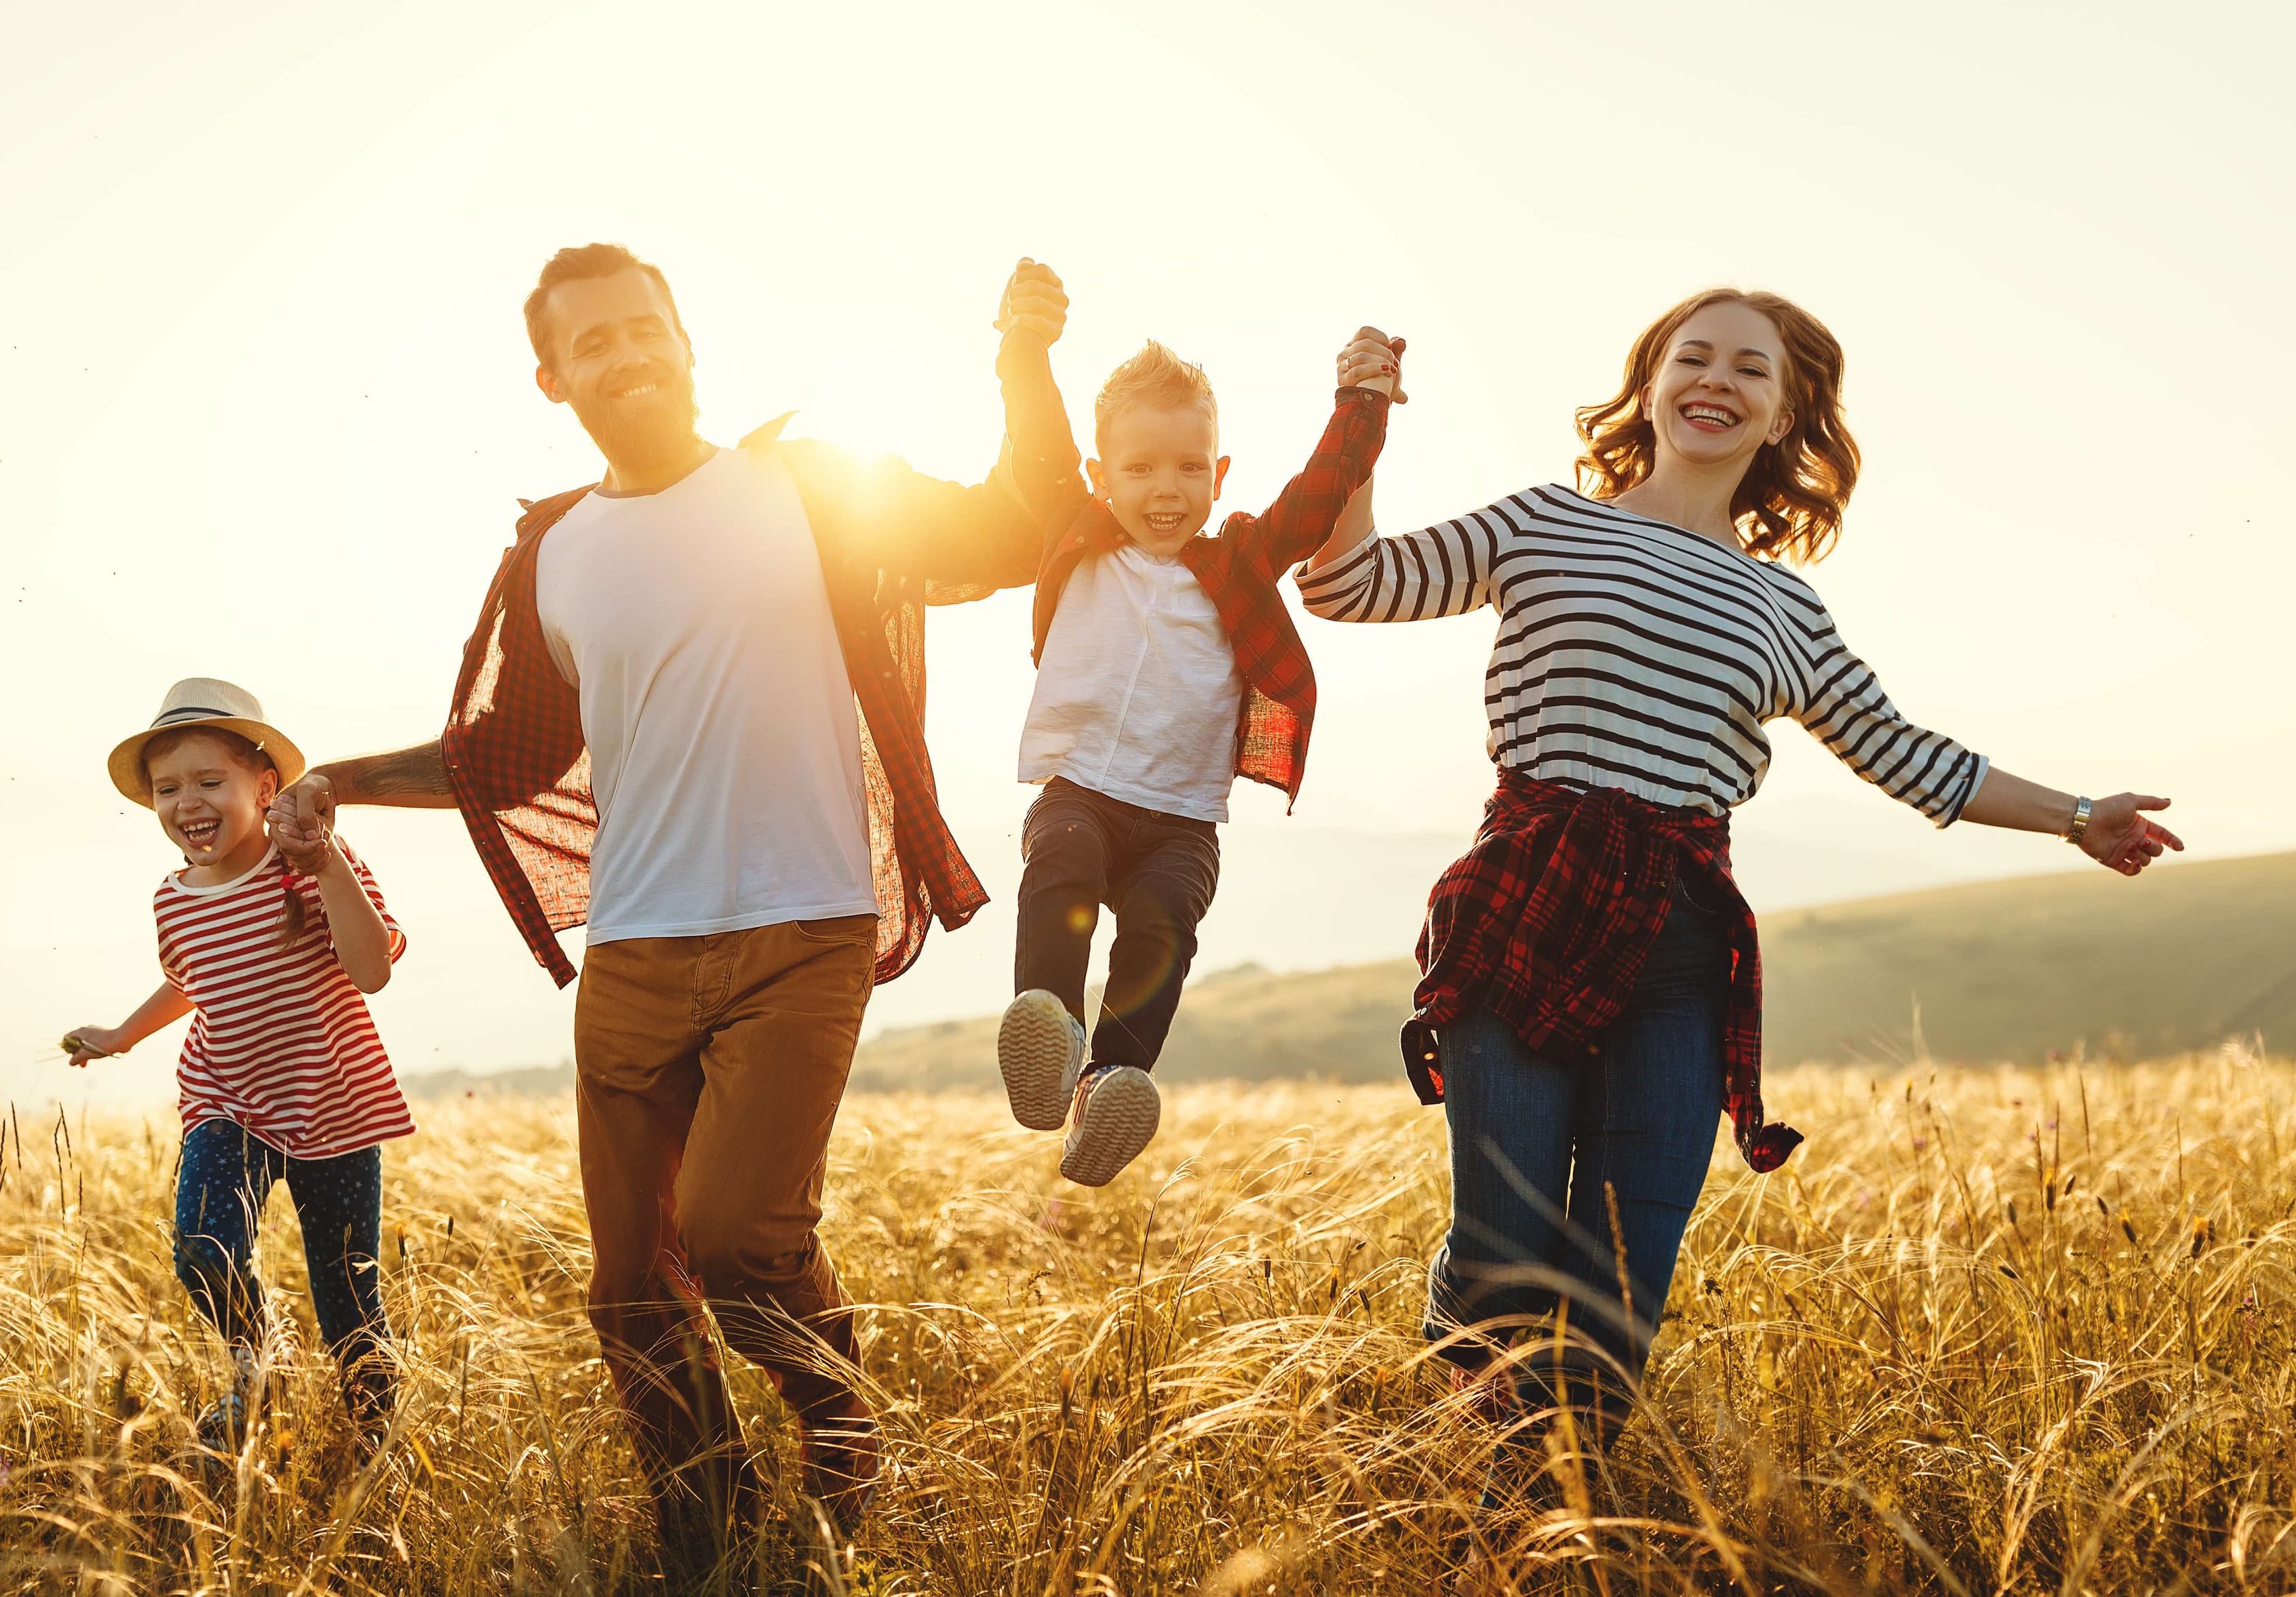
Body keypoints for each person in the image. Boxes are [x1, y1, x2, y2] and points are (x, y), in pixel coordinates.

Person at [273, 245, 1077, 1550]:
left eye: (648, 327)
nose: (628, 353)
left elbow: (1010, 526)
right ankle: (707, 1534)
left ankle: (843, 1434)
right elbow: (509, 756)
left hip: (801, 927)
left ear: (689, 343)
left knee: (743, 1242)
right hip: (637, 950)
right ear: (552, 377)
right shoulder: (555, 552)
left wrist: (1023, 363)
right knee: (632, 1295)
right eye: (594, 341)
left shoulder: (811, 488)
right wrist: (345, 780)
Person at [1298, 292, 2183, 1457]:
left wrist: (2074, 816)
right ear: (1650, 384)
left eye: (1749, 371)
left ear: (1783, 416)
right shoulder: (1542, 525)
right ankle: (1460, 1464)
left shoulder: (1783, 606)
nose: (1716, 382)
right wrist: (1362, 422)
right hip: (1523, 899)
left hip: (1675, 939)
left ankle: (1550, 1522)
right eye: (1693, 357)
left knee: (1621, 1273)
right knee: (1506, 1253)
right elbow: (1344, 585)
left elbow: (1905, 754)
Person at [992, 312, 1399, 1186]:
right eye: (1137, 469)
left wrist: (1362, 399)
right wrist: (1024, 345)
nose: (1164, 489)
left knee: (1163, 929)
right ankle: (1051, 1030)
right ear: (1101, 476)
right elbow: (1036, 440)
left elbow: (1320, 491)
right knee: (1058, 870)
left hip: (1182, 822)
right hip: (1083, 792)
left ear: (1217, 476)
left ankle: (1111, 1081)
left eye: (1186, 468)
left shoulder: (1241, 558)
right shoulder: (1078, 528)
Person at [62, 677, 412, 1453]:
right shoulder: (174, 899)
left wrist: (324, 864)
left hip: (336, 1110)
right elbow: (193, 981)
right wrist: (122, 1034)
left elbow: (372, 971)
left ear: (265, 788)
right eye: (168, 788)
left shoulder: (316, 866)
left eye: (209, 781)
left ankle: (372, 1433)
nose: (187, 802)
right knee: (204, 1249)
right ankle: (258, 1370)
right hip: (230, 1104)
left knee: (348, 1295)